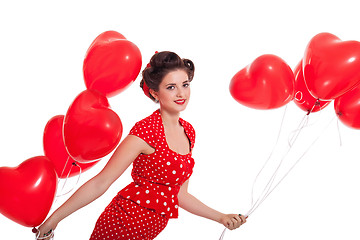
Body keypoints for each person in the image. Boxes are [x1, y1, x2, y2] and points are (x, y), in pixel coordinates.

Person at [36, 51, 246, 239]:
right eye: (171, 87)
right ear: (155, 93)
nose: (181, 93)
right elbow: (101, 182)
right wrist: (53, 221)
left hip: (147, 232)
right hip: (120, 227)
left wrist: (221, 217)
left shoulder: (188, 132)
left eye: (185, 84)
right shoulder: (145, 132)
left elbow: (179, 194)